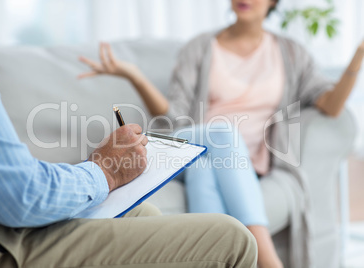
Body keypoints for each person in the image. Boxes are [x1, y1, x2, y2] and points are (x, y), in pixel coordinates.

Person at [0, 3, 259, 268]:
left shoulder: (288, 52)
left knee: (146, 213)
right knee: (234, 233)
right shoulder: (201, 47)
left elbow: (308, 90)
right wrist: (105, 171)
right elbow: (20, 195)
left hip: (251, 154)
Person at [78, 0, 364, 267]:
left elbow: (330, 105)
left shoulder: (291, 53)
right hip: (191, 144)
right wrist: (134, 76)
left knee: (205, 169)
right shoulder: (200, 47)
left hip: (236, 163)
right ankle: (268, 260)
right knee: (222, 135)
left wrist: (359, 55)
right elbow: (174, 117)